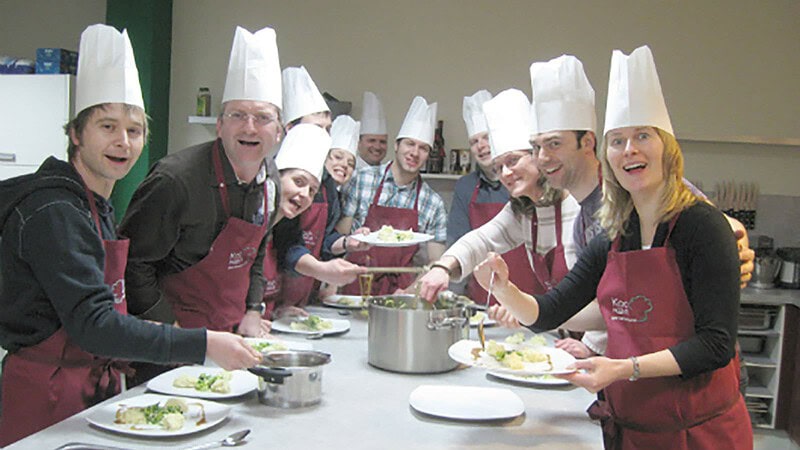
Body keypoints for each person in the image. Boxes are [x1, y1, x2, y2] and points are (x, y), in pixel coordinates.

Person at [473, 45, 752, 449]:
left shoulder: (701, 225)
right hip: (634, 429)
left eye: (643, 136)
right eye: (618, 140)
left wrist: (623, 369)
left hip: (701, 431)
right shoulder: (614, 233)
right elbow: (550, 311)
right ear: (606, 150)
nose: (629, 150)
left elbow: (715, 344)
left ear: (667, 148)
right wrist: (503, 288)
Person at [0, 24, 260, 446]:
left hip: (91, 388)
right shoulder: (54, 210)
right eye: (107, 126)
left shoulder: (94, 205)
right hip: (45, 395)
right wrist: (203, 343)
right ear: (75, 134)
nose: (122, 141)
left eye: (134, 130)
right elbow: (94, 324)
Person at [120, 26, 283, 337]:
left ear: (278, 131)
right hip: (168, 340)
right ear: (219, 126)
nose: (249, 128)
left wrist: (252, 309)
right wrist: (172, 330)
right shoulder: (175, 181)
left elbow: (259, 250)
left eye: (262, 117)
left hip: (230, 335)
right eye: (237, 115)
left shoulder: (271, 180)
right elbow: (133, 264)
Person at [418, 89, 579, 303]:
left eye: (513, 161)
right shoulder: (524, 209)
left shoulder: (576, 207)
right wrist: (442, 267)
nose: (505, 173)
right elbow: (482, 239)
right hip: (555, 324)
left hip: (583, 330)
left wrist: (527, 309)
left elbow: (594, 297)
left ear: (537, 155)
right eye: (498, 166)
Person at [338, 96, 447, 295]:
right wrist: (330, 283)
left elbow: (436, 262)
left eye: (423, 148)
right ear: (396, 146)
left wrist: (409, 292)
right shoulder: (360, 180)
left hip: (401, 292)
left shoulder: (433, 203)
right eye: (409, 144)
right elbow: (339, 236)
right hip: (353, 285)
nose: (415, 153)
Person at [266, 115, 368, 316]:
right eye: (298, 182)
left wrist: (347, 243)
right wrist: (321, 269)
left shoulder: (330, 192)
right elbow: (287, 246)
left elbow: (324, 238)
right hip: (276, 290)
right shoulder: (255, 214)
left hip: (295, 297)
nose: (304, 194)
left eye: (312, 190)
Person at [355, 91, 389, 169]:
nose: (377, 147)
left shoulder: (387, 174)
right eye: (371, 140)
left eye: (382, 142)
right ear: (359, 143)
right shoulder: (349, 173)